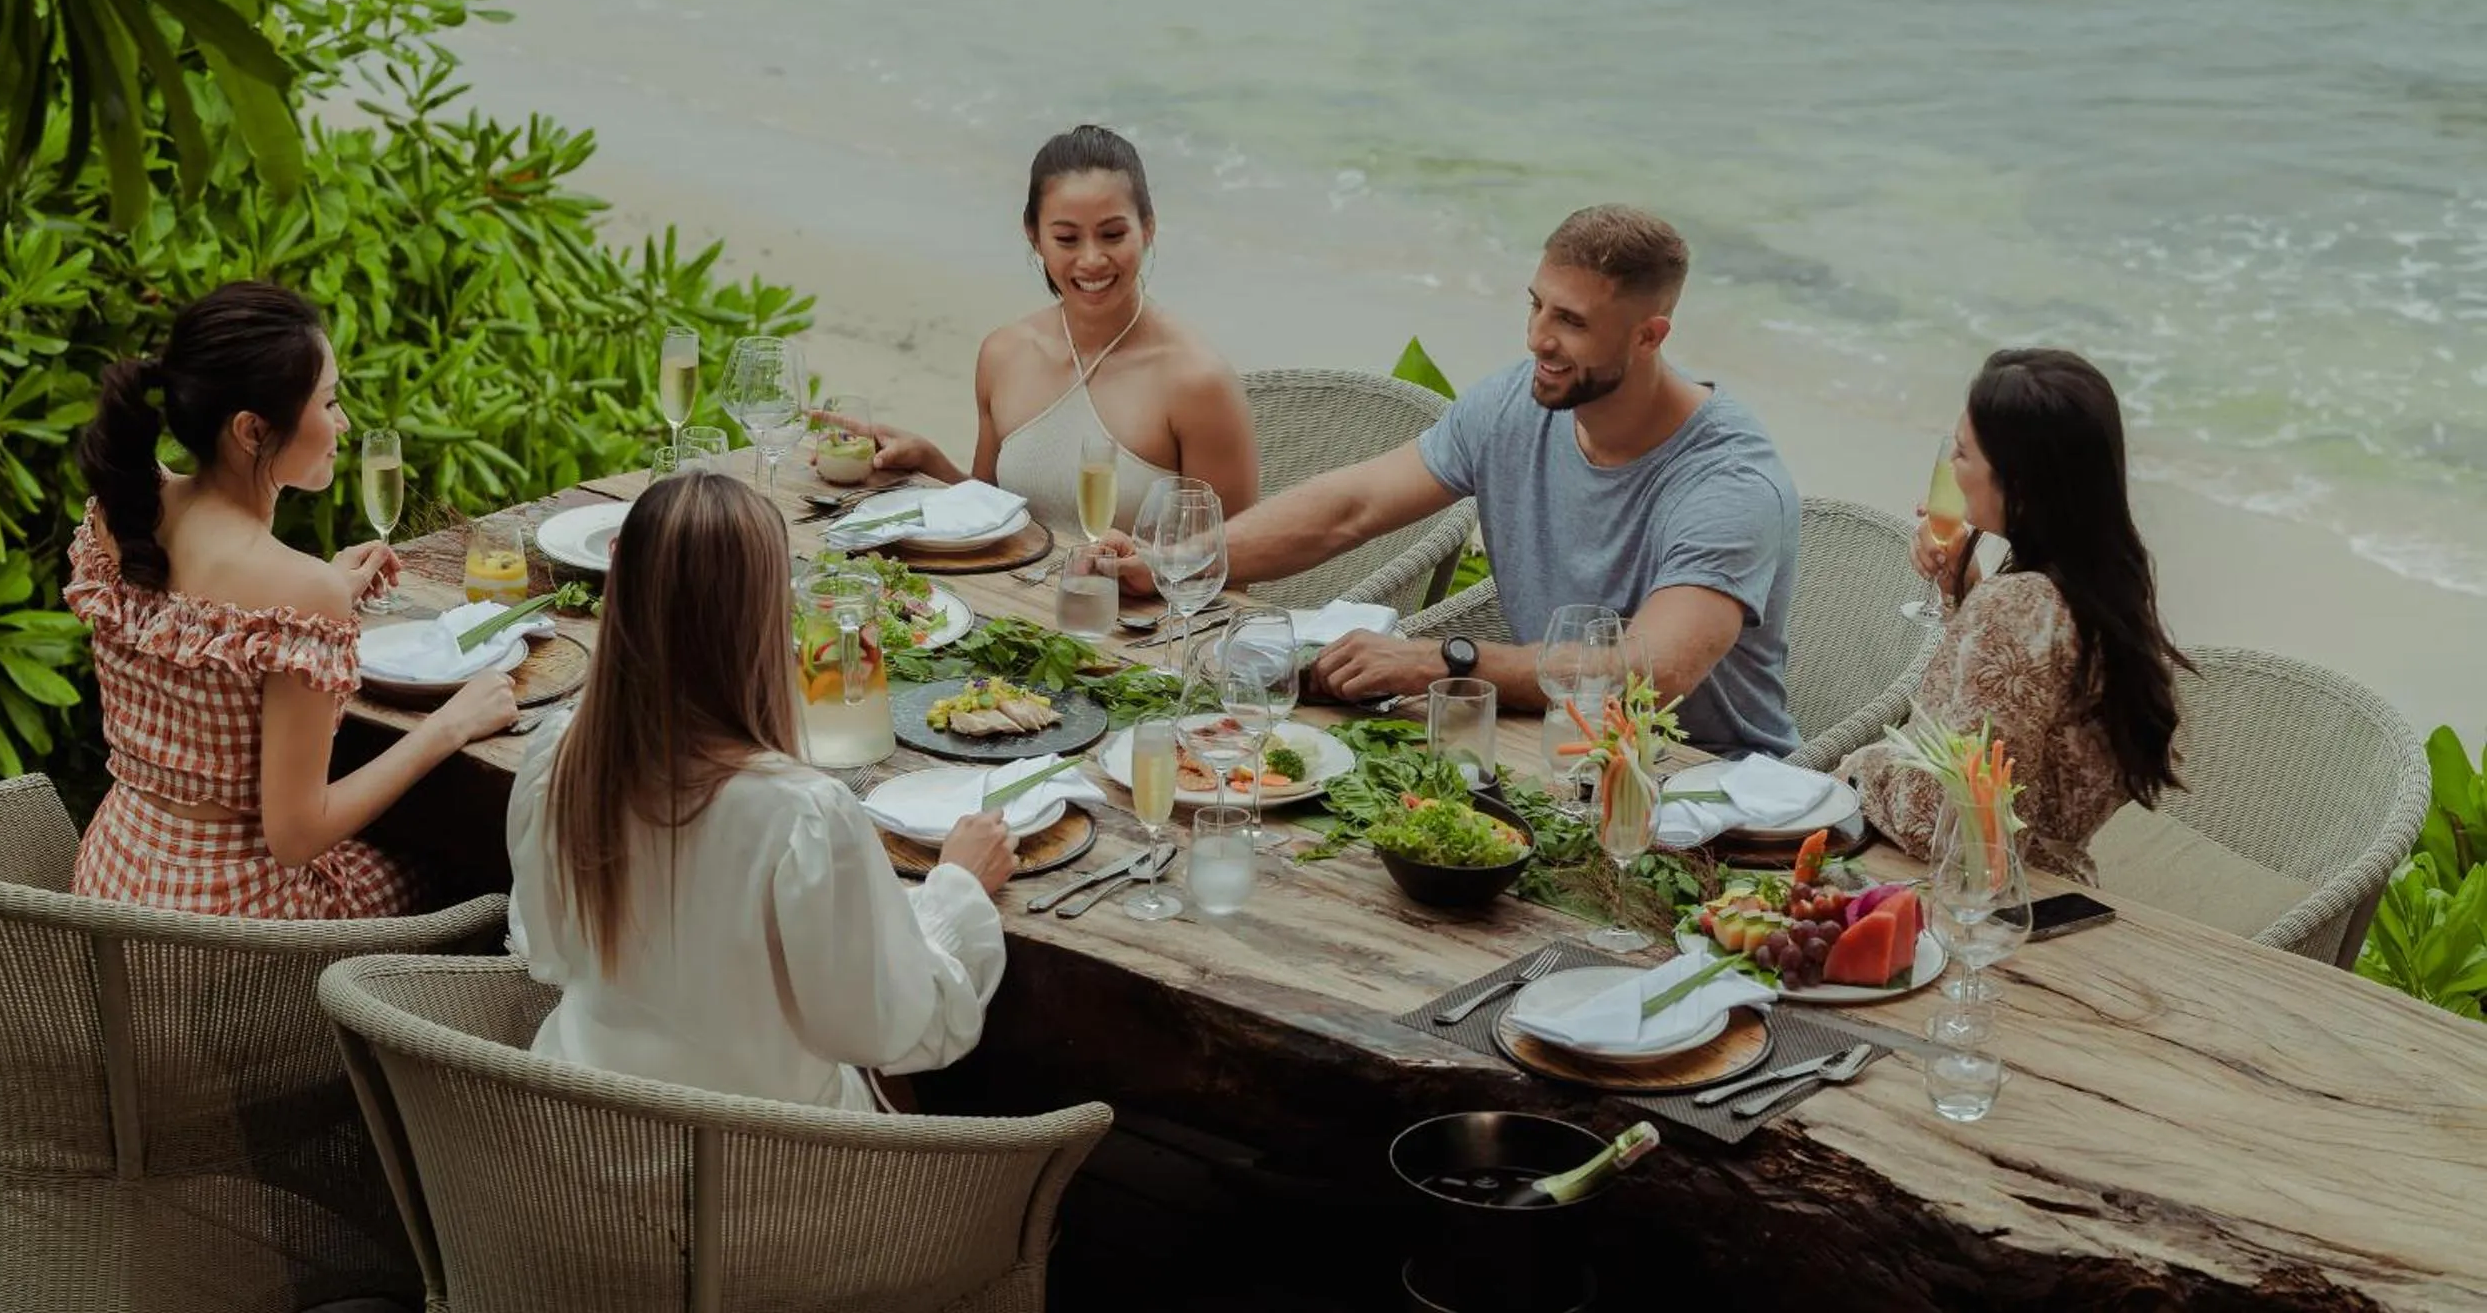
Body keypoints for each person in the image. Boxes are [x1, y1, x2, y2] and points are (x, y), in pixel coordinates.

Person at [1103, 205, 1800, 757]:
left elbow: (1651, 673)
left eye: (1571, 321)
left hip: (1701, 789)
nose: (1537, 339)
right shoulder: (1512, 406)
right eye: (1537, 305)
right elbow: (1352, 507)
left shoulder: (1729, 483)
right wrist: (1176, 563)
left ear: (1650, 336)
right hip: (1543, 747)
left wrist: (1444, 661)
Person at [506, 470, 1015, 1109]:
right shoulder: (801, 814)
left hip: (570, 1149)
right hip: (764, 1182)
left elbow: (545, 949)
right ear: (764, 621)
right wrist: (955, 892)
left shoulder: (561, 758)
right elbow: (896, 1027)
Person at [65, 281, 516, 916]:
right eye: (328, 402)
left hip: (113, 889)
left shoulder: (127, 507)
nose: (344, 424)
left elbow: (208, 610)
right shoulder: (300, 591)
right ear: (251, 430)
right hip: (230, 935)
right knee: (463, 868)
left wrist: (318, 599)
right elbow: (296, 834)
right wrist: (453, 724)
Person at [1842, 349, 2189, 883]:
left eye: (1961, 454)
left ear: (2018, 483)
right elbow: (2024, 709)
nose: (1949, 468)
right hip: (2052, 888)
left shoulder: (2016, 609)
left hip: (1972, 902)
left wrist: (1860, 769)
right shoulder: (2106, 597)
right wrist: (1965, 586)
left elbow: (1954, 822)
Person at [844, 125, 1259, 533]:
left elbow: (1230, 567)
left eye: (1113, 234)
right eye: (1067, 239)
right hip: (1005, 599)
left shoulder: (1197, 383)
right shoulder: (1004, 355)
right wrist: (929, 463)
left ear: (1147, 229)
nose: (1092, 259)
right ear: (1035, 237)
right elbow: (987, 517)